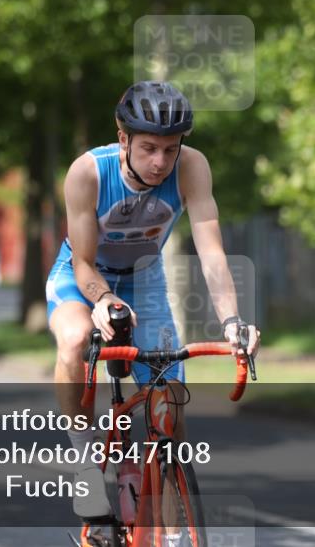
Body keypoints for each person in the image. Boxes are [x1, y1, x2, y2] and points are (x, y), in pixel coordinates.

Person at [45, 81, 260, 527]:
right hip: (83, 277)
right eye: (148, 148)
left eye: (170, 148)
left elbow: (212, 253)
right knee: (75, 337)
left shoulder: (192, 167)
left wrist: (234, 321)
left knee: (171, 410)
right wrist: (103, 299)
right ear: (123, 139)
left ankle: (173, 527)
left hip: (144, 279)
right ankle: (86, 468)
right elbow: (84, 262)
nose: (161, 161)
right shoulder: (88, 172)